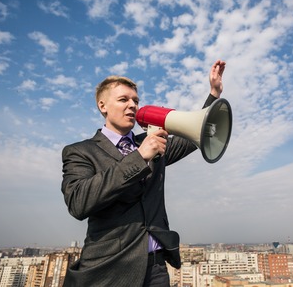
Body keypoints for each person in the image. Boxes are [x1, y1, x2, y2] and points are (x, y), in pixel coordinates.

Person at [61, 60, 226, 287]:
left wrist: (213, 95)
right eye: (123, 100)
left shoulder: (151, 142)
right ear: (102, 106)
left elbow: (192, 136)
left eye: (136, 101)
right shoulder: (80, 151)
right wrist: (140, 157)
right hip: (109, 270)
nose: (132, 105)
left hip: (156, 268)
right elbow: (78, 203)